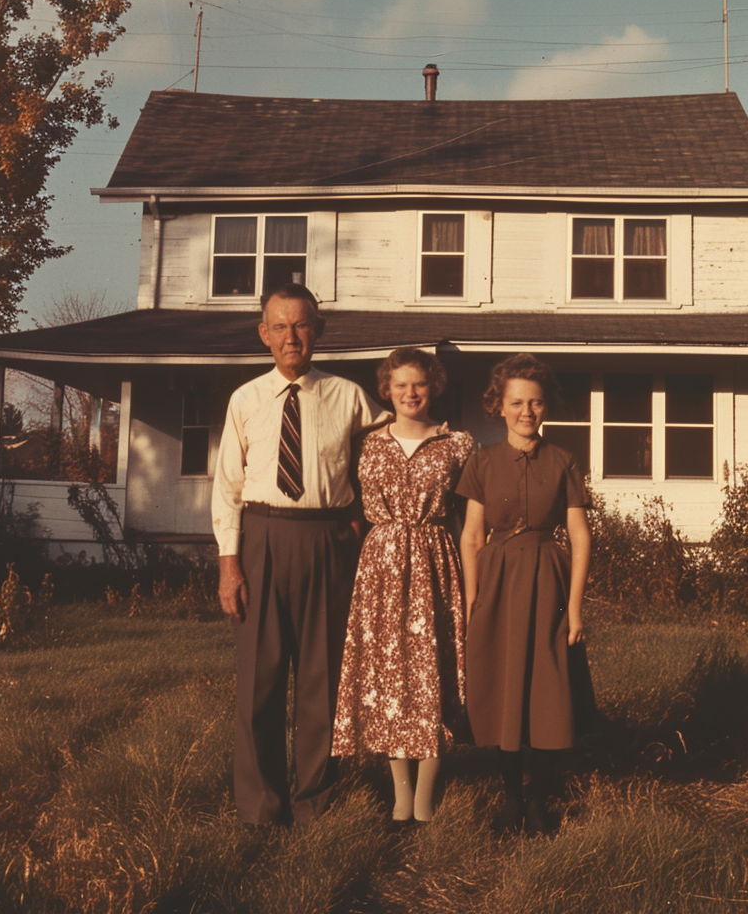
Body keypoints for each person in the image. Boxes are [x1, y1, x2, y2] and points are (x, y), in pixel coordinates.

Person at [212, 283, 386, 827]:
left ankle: (315, 802)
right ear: (264, 334)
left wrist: (362, 513)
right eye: (280, 327)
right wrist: (230, 563)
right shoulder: (245, 399)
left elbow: (387, 450)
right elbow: (227, 488)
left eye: (302, 325)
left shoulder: (349, 396)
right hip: (262, 538)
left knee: (323, 679)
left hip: (329, 542)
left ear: (319, 331)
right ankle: (261, 808)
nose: (292, 337)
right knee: (260, 682)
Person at [456, 353, 599, 835]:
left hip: (547, 584)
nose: (526, 411)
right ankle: (510, 801)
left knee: (547, 693)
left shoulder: (563, 461)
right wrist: (473, 601)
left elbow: (579, 535)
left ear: (546, 406)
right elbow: (472, 536)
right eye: (516, 402)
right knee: (503, 692)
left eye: (535, 403)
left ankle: (539, 802)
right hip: (496, 586)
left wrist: (574, 607)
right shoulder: (482, 460)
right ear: (499, 405)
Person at [332, 348, 475, 825]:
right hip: (383, 565)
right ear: (386, 391)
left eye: (419, 384)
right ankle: (399, 796)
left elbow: (470, 517)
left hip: (436, 559)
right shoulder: (367, 444)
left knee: (431, 674)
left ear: (433, 387)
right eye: (401, 385)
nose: (411, 393)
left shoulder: (457, 444)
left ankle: (426, 799)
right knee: (391, 677)